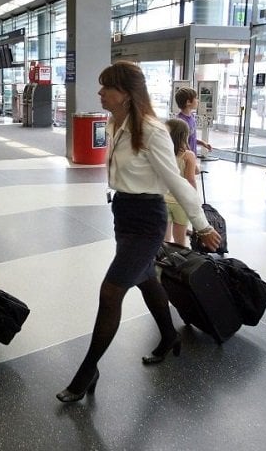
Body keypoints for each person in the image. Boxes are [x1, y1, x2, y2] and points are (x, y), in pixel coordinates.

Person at [56, 61, 221, 403]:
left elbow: (176, 180)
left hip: (148, 218)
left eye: (106, 88)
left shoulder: (152, 131)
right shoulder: (117, 123)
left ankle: (89, 369)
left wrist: (201, 226)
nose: (100, 93)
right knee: (146, 277)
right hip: (125, 212)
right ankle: (168, 337)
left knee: (111, 291)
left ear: (126, 93)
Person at [163, 118, 198, 246]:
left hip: (162, 200)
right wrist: (194, 198)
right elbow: (190, 180)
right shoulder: (188, 156)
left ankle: (163, 263)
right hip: (181, 202)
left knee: (164, 241)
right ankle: (180, 264)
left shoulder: (162, 154)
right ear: (185, 136)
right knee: (180, 241)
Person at [174, 87, 212, 158]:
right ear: (188, 102)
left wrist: (203, 143)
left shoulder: (192, 117)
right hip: (186, 159)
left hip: (192, 156)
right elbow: (180, 143)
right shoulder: (180, 122)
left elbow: (190, 137)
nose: (198, 101)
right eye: (196, 98)